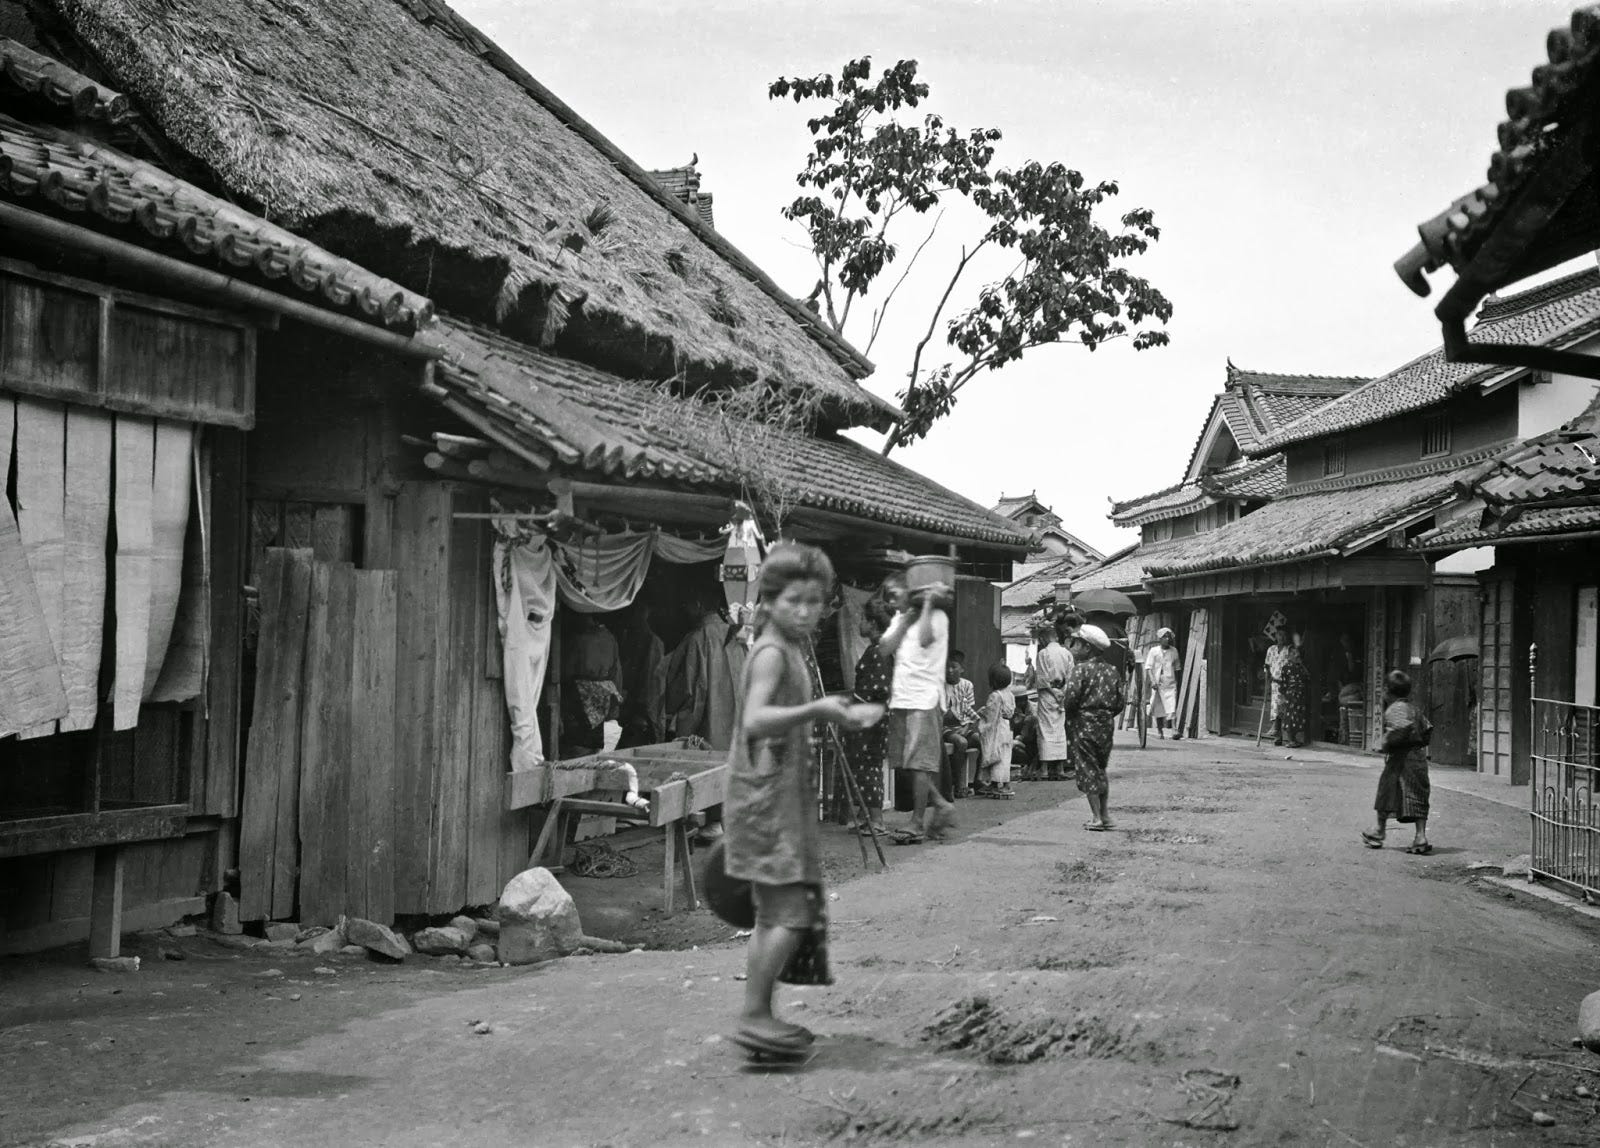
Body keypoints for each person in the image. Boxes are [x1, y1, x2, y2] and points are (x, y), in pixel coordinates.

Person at [724, 543, 879, 1051]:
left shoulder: (785, 647)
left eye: (815, 602)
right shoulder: (771, 652)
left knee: (778, 912)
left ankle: (760, 1014)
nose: (806, 612)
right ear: (768, 600)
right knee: (789, 913)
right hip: (765, 804)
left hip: (776, 798)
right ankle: (753, 1015)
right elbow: (755, 718)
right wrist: (820, 710)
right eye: (794, 600)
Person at [668, 590, 747, 842]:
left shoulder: (699, 638)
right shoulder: (736, 636)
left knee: (702, 761)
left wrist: (678, 722)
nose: (684, 611)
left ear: (699, 604)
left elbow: (690, 688)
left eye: (687, 605)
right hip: (737, 717)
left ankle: (711, 820)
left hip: (708, 717)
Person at [881, 581, 957, 842]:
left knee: (919, 763)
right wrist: (903, 621)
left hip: (925, 699)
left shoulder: (936, 617)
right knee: (905, 763)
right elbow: (884, 648)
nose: (890, 602)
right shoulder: (900, 619)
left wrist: (924, 605)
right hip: (903, 697)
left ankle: (917, 823)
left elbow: (925, 640)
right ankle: (941, 805)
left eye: (894, 596)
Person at [1360, 670, 1433, 854]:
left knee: (1385, 793)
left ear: (1387, 691)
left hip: (1400, 759)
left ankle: (1379, 831)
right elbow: (1427, 729)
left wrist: (1385, 742)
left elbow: (1401, 727)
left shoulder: (1395, 709)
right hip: (1418, 757)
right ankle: (1420, 836)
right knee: (1418, 795)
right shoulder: (1414, 709)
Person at [1063, 624, 1122, 831]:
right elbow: (1119, 703)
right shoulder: (1112, 671)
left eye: (1076, 644)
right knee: (1100, 769)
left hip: (1084, 724)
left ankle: (1096, 818)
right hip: (1106, 725)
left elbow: (1070, 700)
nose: (1073, 648)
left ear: (1087, 648)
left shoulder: (1080, 670)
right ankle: (1105, 815)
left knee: (1088, 770)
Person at [844, 599, 894, 837]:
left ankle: (877, 820)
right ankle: (869, 817)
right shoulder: (880, 648)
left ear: (873, 623)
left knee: (868, 765)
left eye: (864, 619)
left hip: (871, 719)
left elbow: (879, 689)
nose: (860, 624)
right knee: (864, 765)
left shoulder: (878, 652)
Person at [560, 612, 624, 752]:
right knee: (597, 745)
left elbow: (566, 671)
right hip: (602, 697)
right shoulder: (610, 638)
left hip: (582, 696)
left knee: (582, 746)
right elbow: (616, 673)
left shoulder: (579, 639)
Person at [1025, 616, 1073, 781]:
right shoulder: (1066, 653)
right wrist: (1061, 693)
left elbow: (1042, 679)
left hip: (1047, 695)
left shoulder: (1043, 653)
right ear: (1057, 637)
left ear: (1045, 638)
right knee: (1060, 730)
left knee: (1045, 730)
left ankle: (1045, 769)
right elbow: (1070, 676)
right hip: (1062, 695)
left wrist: (1053, 692)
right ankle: (1059, 768)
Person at [617, 600, 666, 747]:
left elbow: (651, 683)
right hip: (627, 710)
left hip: (641, 714)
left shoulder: (653, 642)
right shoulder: (628, 638)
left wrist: (643, 713)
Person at [942, 650, 980, 797]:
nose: (949, 670)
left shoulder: (967, 685)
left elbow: (968, 709)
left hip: (962, 726)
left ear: (961, 669)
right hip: (945, 729)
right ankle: (957, 785)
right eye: (947, 667)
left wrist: (966, 726)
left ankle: (977, 781)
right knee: (961, 742)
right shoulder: (940, 686)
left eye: (953, 667)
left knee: (981, 740)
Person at [976, 663, 1016, 797]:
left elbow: (991, 714)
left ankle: (998, 784)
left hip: (997, 728)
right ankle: (1004, 784)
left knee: (996, 756)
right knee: (1005, 757)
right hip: (1007, 727)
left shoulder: (995, 695)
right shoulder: (1010, 694)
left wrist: (982, 714)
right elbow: (1009, 713)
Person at [1144, 627, 1182, 740]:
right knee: (1158, 707)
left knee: (1172, 705)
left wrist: (1177, 682)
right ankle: (1160, 731)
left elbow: (1177, 668)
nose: (1167, 639)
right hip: (1157, 683)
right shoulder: (1154, 651)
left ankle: (1174, 730)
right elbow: (1149, 667)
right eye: (1164, 637)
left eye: (1169, 637)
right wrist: (1153, 681)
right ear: (1160, 639)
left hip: (1170, 682)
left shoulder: (1174, 651)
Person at [1263, 627, 1295, 747]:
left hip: (1285, 685)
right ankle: (1278, 737)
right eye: (1279, 635)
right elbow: (1267, 666)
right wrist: (1267, 682)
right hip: (1274, 684)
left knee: (1283, 709)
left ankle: (1286, 736)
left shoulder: (1289, 650)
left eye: (1283, 635)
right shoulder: (1271, 649)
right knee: (1275, 709)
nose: (1281, 637)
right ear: (1275, 636)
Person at [1278, 637, 1311, 748]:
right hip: (1290, 696)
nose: (1297, 656)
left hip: (1300, 696)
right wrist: (1282, 697)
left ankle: (1295, 739)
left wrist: (1301, 664)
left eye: (1297, 654)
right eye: (1294, 654)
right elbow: (1283, 684)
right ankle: (1290, 740)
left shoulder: (1300, 668)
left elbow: (1308, 676)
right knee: (1289, 717)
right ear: (1289, 656)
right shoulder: (1286, 668)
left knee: (1298, 717)